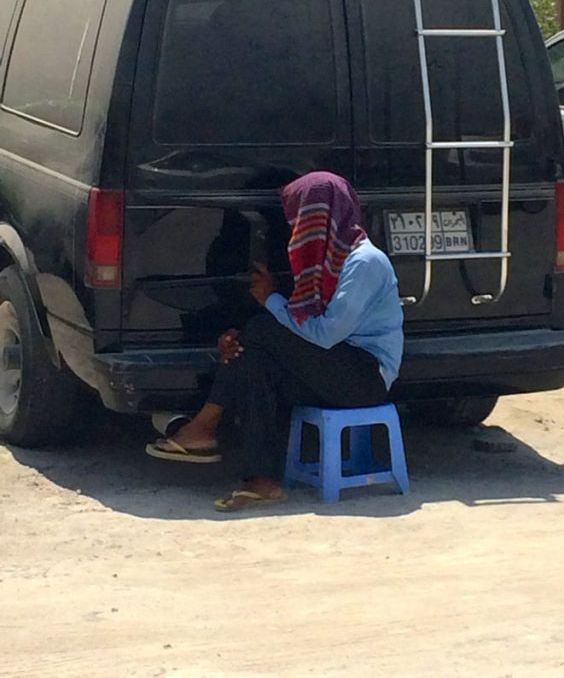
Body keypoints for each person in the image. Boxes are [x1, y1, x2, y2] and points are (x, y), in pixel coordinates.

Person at [146, 171, 404, 512]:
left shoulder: (365, 262)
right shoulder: (321, 263)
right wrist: (242, 343)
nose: (297, 227)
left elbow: (325, 333)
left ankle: (205, 423)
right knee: (254, 360)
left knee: (262, 330)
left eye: (303, 217)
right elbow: (300, 326)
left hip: (365, 376)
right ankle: (261, 481)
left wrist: (271, 301)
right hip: (331, 370)